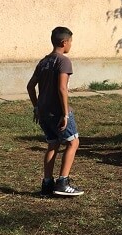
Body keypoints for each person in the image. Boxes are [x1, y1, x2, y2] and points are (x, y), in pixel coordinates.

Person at [27, 26, 83, 197]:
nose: (71, 45)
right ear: (64, 42)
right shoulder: (63, 61)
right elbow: (62, 88)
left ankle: (47, 184)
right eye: (70, 42)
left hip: (44, 112)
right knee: (73, 143)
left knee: (53, 144)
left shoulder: (43, 62)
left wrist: (36, 107)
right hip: (57, 112)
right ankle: (63, 183)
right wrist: (65, 114)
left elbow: (30, 86)